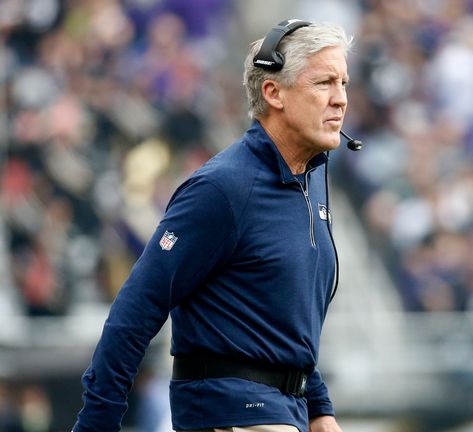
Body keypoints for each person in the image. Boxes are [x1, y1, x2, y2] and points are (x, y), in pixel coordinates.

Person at [72, 19, 353, 432]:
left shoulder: (310, 183)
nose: (341, 99)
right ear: (273, 92)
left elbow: (283, 325)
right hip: (232, 413)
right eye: (324, 83)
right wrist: (97, 422)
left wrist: (320, 408)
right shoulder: (223, 189)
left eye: (344, 82)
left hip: (285, 412)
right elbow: (137, 307)